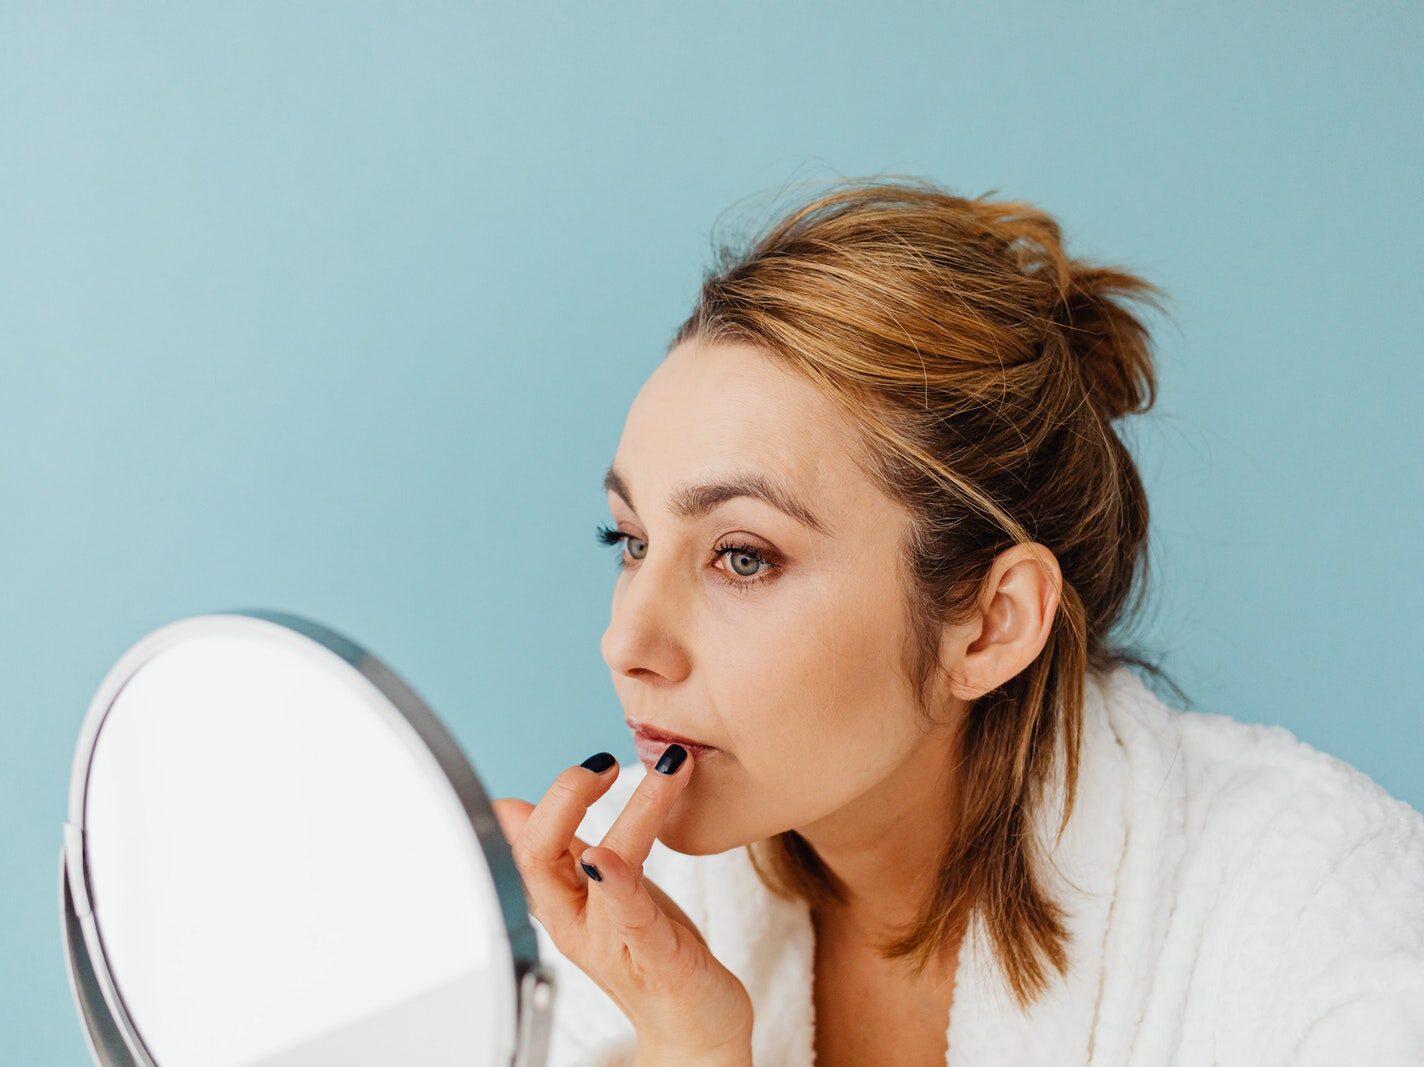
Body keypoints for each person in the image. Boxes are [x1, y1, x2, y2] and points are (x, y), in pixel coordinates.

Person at [492, 177, 1424, 1066]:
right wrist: (689, 1046)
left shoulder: (1311, 907)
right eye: (631, 540)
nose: (625, 643)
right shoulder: (628, 916)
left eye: (744, 556)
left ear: (989, 625)